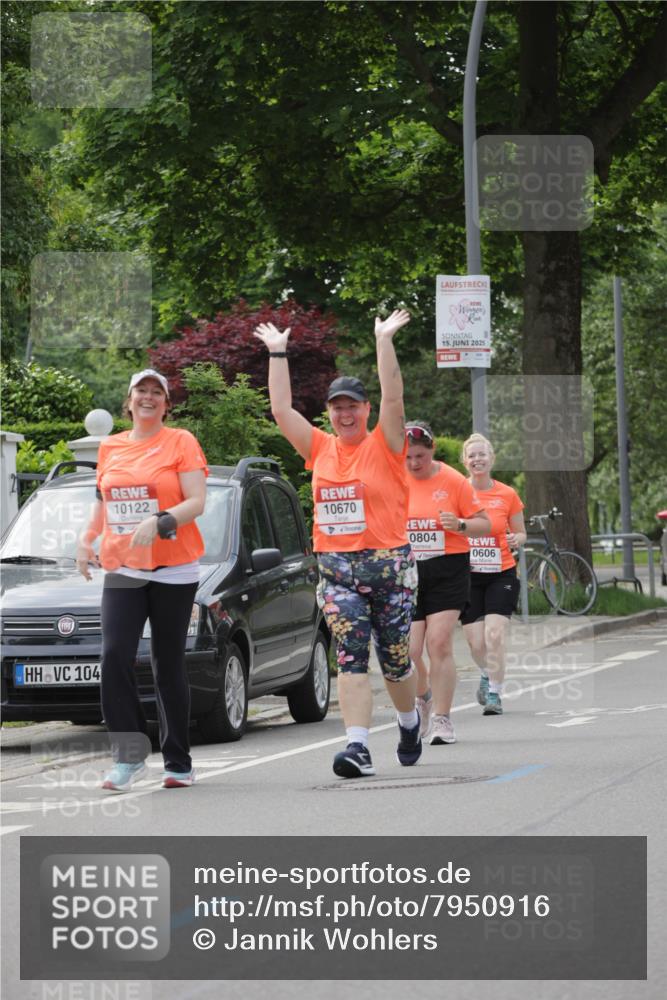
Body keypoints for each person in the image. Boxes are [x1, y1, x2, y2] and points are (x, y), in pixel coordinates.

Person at [254, 310, 420, 778]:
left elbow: (394, 395)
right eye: (337, 408)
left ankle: (409, 721)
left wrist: (383, 340)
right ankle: (357, 746)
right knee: (350, 658)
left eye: (353, 407)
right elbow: (281, 411)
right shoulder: (320, 448)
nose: (345, 415)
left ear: (366, 410)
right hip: (337, 572)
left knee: (396, 662)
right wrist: (278, 353)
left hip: (389, 568)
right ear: (328, 413)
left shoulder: (386, 443)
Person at [76, 369, 208, 791]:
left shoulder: (180, 441)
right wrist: (86, 539)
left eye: (157, 392)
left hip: (174, 568)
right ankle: (129, 758)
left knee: (167, 663)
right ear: (129, 401)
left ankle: (178, 763)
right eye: (141, 391)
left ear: (166, 404)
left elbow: (197, 501)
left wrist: (161, 519)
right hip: (124, 567)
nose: (148, 397)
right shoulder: (110, 447)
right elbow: (103, 502)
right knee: (114, 655)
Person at [405, 421, 490, 744]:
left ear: (433, 450)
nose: (414, 463)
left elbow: (485, 524)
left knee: (438, 642)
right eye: (408, 457)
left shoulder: (452, 480)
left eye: (421, 456)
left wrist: (460, 524)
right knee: (409, 651)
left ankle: (443, 719)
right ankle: (424, 696)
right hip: (407, 571)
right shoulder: (393, 477)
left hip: (448, 568)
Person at [460, 433, 527, 715]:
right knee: (476, 643)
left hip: (501, 572)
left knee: (495, 634)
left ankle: (495, 694)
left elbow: (521, 532)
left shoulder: (507, 494)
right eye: (472, 455)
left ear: (492, 459)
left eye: (482, 454)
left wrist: (516, 539)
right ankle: (487, 674)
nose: (477, 459)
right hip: (467, 576)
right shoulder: (457, 491)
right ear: (465, 461)